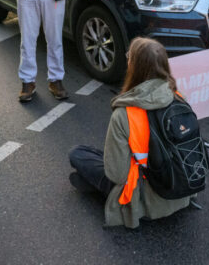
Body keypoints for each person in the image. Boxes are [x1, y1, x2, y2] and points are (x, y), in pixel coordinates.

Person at [68, 37, 193, 229]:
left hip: (145, 200)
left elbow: (117, 175)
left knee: (78, 153)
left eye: (129, 58)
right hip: (181, 190)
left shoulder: (125, 114)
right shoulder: (179, 99)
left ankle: (97, 191)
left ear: (135, 68)